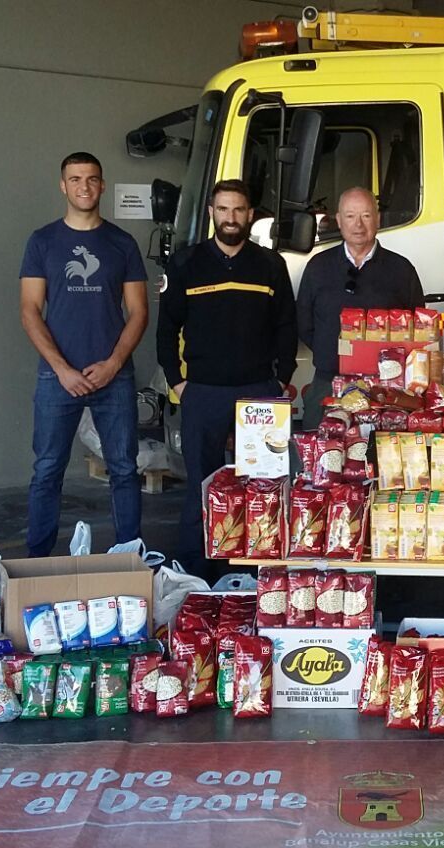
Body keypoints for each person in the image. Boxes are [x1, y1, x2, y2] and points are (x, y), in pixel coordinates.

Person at [157, 179, 296, 577]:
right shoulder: (185, 263)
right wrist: (177, 381)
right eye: (223, 210)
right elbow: (166, 329)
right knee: (201, 488)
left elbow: (287, 325)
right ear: (212, 214)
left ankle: (260, 576)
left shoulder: (271, 265)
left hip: (260, 394)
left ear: (250, 215)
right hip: (203, 392)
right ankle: (195, 578)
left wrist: (282, 380)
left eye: (238, 210)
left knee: (265, 488)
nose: (231, 218)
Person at [18, 151, 149, 558]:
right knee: (47, 471)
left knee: (125, 470)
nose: (84, 187)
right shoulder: (43, 241)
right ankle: (36, 563)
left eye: (91, 179)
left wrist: (113, 364)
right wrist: (61, 369)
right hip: (58, 378)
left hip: (114, 377)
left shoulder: (121, 244)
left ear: (103, 185)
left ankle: (129, 557)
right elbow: (29, 311)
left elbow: (139, 312)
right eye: (75, 179)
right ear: (63, 185)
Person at [297, 187, 424, 428]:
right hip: (329, 381)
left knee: (380, 458)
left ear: (378, 219)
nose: (358, 225)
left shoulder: (401, 269)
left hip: (386, 388)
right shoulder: (318, 267)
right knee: (320, 456)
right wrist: (336, 353)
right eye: (350, 216)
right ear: (338, 220)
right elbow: (305, 324)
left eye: (366, 216)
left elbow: (417, 326)